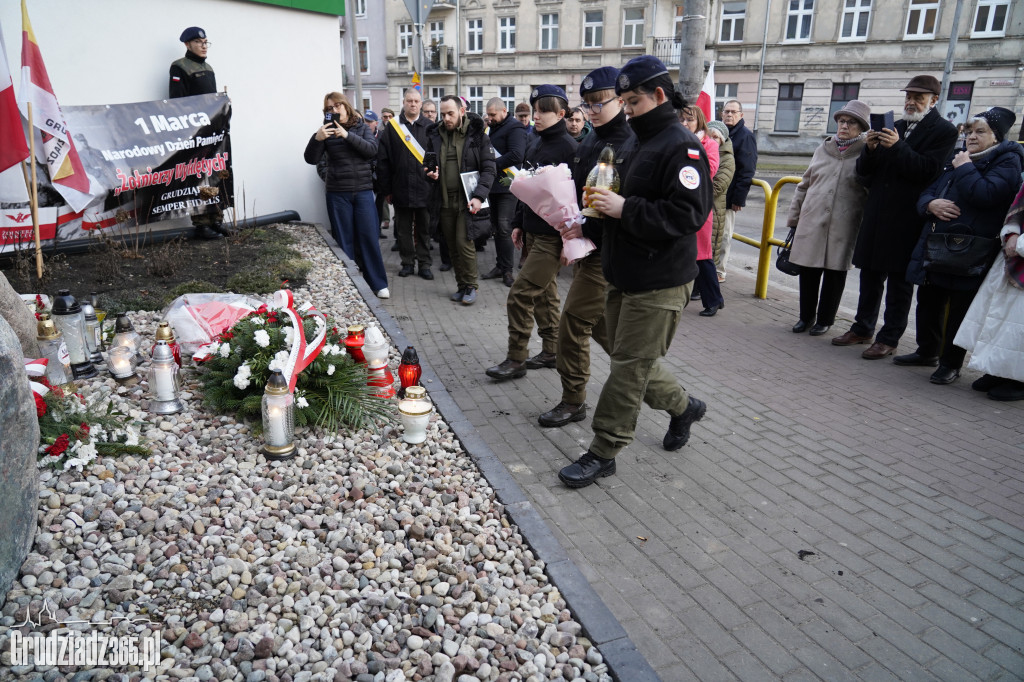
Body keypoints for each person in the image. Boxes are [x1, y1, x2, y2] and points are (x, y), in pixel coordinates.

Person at [558, 56, 713, 488]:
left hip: (660, 279)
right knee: (634, 360)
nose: (625, 110)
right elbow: (614, 201)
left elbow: (689, 214)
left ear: (659, 96)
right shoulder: (634, 142)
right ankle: (684, 408)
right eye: (623, 102)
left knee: (627, 369)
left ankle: (604, 451)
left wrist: (625, 208)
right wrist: (587, 221)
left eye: (632, 102)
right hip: (623, 272)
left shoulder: (682, 147)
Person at [832, 75, 958, 359]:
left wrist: (897, 146)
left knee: (899, 281)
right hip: (877, 211)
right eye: (908, 96)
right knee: (870, 273)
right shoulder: (895, 126)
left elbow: (929, 171)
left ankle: (889, 337)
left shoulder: (944, 131)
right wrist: (872, 149)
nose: (911, 102)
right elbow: (865, 174)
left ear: (933, 100)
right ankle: (862, 327)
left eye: (918, 97)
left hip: (908, 216)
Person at [538, 66, 635, 428]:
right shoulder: (592, 140)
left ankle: (573, 400)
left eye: (599, 102)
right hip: (589, 245)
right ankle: (675, 400)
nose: (592, 110)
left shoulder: (631, 141)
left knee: (573, 325)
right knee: (607, 335)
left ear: (621, 100)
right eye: (588, 103)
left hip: (610, 252)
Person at [899, 107, 1022, 384]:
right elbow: (928, 192)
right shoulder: (958, 158)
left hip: (971, 250)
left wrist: (965, 167)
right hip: (938, 243)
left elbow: (987, 194)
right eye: (969, 131)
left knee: (958, 309)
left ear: (996, 136)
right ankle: (926, 351)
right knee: (928, 301)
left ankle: (950, 363)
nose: (972, 137)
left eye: (980, 132)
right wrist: (930, 204)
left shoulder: (1007, 160)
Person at [485, 85, 577, 381]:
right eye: (534, 111)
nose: (536, 116)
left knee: (520, 295)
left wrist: (569, 240)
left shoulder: (570, 148)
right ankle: (551, 350)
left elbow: (575, 201)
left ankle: (516, 358)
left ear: (561, 114)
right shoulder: (535, 142)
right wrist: (518, 224)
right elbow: (527, 188)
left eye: (543, 111)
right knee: (545, 295)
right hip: (534, 232)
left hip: (553, 236)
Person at [784, 100, 871, 336]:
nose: (844, 126)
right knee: (809, 272)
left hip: (845, 222)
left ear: (861, 127)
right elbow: (804, 185)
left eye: (851, 122)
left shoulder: (866, 152)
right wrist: (794, 217)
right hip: (812, 219)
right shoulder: (823, 149)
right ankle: (805, 317)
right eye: (842, 121)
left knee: (835, 274)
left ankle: (825, 320)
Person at [304, 93, 389, 299]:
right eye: (329, 108)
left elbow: (371, 150)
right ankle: (350, 284)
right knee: (344, 240)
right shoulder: (324, 132)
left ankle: (377, 283)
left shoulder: (361, 127)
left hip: (362, 191)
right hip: (337, 193)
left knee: (368, 236)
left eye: (337, 105)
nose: (333, 110)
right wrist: (317, 139)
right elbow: (310, 158)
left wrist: (347, 135)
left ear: (346, 106)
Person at [424, 96, 497, 306]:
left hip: (467, 201)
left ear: (462, 111)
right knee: (451, 246)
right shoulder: (435, 135)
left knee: (464, 243)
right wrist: (430, 173)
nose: (446, 118)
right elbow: (428, 163)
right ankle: (461, 286)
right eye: (443, 114)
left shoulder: (477, 136)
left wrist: (478, 196)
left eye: (451, 114)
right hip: (444, 200)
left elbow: (489, 168)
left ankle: (471, 286)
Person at [955, 183, 1024, 401]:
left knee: (1018, 326)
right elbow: (1017, 210)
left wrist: (1020, 243)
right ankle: (998, 371)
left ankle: (1019, 380)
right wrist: (1012, 233)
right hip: (1011, 260)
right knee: (1000, 320)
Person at [169, 27, 229, 241]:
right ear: (187, 44)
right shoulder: (179, 67)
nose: (204, 45)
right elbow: (178, 103)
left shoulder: (209, 67)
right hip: (195, 133)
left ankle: (216, 221)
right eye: (198, 41)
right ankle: (202, 225)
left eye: (206, 41)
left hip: (212, 131)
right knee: (198, 178)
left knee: (213, 175)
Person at [377, 90, 435, 280]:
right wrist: (386, 189)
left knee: (424, 229)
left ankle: (425, 264)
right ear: (403, 102)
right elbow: (383, 161)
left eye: (416, 101)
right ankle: (407, 263)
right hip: (400, 187)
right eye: (409, 101)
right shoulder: (393, 127)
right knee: (403, 230)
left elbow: (436, 157)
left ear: (421, 104)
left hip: (425, 188)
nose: (413, 104)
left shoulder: (430, 126)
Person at [679, 105, 724, 317]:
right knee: (684, 253)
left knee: (703, 256)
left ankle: (714, 300)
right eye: (682, 120)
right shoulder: (677, 141)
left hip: (699, 206)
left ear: (699, 121)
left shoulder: (709, 144)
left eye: (690, 120)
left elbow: (710, 171)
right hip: (679, 205)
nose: (685, 124)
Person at [482, 97, 527, 288]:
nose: (490, 118)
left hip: (508, 185)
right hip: (494, 186)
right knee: (496, 227)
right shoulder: (492, 127)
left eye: (493, 114)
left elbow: (517, 154)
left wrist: (492, 164)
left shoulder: (515, 128)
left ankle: (508, 270)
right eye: (489, 114)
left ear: (503, 111)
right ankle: (500, 266)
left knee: (504, 227)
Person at [718, 99, 757, 282]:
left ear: (741, 115)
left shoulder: (744, 136)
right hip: (716, 194)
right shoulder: (721, 133)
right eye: (726, 111)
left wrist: (739, 198)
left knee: (724, 235)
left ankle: (720, 272)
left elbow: (747, 170)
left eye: (734, 112)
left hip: (729, 196)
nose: (729, 115)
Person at [705, 119, 734, 301]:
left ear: (722, 140)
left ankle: (713, 298)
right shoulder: (704, 150)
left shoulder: (727, 158)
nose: (713, 139)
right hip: (701, 207)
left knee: (708, 255)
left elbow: (717, 186)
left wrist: (693, 190)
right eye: (710, 135)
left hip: (713, 208)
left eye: (716, 136)